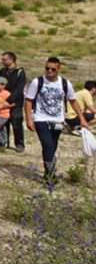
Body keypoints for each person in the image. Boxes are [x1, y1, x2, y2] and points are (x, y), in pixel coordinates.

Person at [25, 57, 90, 185]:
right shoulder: (37, 82)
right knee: (48, 145)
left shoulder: (65, 84)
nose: (49, 71)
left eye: (53, 69)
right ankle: (51, 175)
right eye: (47, 68)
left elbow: (73, 101)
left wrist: (82, 118)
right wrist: (29, 119)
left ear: (59, 69)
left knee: (52, 147)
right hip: (41, 119)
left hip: (58, 120)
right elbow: (28, 101)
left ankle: (47, 172)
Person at [0, 51, 28, 151]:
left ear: (11, 60)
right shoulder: (2, 71)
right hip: (3, 101)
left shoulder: (20, 72)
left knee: (16, 123)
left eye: (4, 59)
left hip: (16, 103)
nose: (2, 61)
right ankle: (3, 142)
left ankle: (19, 144)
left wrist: (10, 100)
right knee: (3, 123)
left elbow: (19, 89)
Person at [0, 76, 12, 149]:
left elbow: (9, 104)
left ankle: (0, 142)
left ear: (4, 85)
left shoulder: (7, 94)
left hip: (4, 115)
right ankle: (4, 142)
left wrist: (0, 106)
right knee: (2, 129)